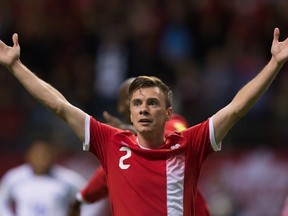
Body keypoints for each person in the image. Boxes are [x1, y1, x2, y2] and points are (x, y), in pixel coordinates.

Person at [0, 27, 287, 215]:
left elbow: (236, 108)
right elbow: (59, 105)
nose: (143, 109)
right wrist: (15, 67)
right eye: (137, 103)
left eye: (152, 103)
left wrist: (274, 64)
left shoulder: (190, 143)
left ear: (168, 112)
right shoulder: (112, 141)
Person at [68, 78, 210, 216]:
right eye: (132, 98)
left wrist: (132, 129)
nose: (143, 105)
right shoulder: (122, 148)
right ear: (122, 106)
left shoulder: (173, 121)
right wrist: (80, 199)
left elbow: (180, 137)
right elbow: (103, 177)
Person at [0, 138, 89, 216]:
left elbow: (91, 198)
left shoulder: (67, 179)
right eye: (37, 155)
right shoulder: (14, 178)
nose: (41, 159)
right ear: (28, 155)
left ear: (53, 156)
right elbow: (2, 201)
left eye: (45, 154)